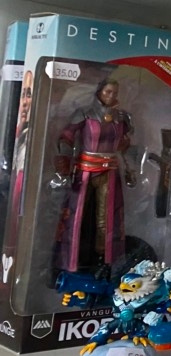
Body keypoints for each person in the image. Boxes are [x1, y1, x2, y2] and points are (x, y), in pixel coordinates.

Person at [53, 79, 135, 275]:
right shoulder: (85, 113)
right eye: (108, 91)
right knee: (76, 215)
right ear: (99, 91)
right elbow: (66, 137)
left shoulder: (122, 118)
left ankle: (105, 261)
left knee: (107, 219)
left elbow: (126, 145)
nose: (111, 96)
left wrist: (129, 167)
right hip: (85, 170)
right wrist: (64, 160)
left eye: (115, 92)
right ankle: (70, 261)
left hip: (110, 171)